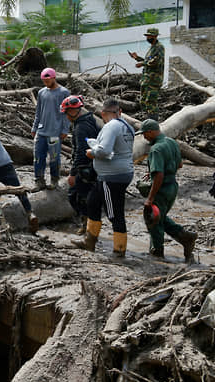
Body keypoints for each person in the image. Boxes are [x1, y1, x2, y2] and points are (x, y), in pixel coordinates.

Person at [73, 98, 134, 258]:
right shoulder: (127, 126)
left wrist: (91, 152)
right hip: (114, 174)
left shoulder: (111, 126)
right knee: (93, 202)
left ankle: (119, 250)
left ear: (103, 113)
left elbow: (105, 151)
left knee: (114, 213)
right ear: (119, 111)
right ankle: (89, 241)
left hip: (112, 176)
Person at [137, 119, 197, 262]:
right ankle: (185, 237)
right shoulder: (172, 142)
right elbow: (180, 164)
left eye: (145, 134)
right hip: (172, 187)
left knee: (153, 219)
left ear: (151, 132)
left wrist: (150, 198)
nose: (144, 137)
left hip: (161, 189)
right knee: (160, 217)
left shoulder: (156, 149)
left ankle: (157, 253)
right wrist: (158, 170)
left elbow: (159, 175)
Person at [61, 95, 98, 234]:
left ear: (72, 111)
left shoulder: (81, 127)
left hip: (85, 167)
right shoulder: (90, 119)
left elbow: (81, 152)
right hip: (93, 164)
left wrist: (73, 173)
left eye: (66, 113)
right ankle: (88, 224)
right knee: (84, 196)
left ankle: (87, 225)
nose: (66, 116)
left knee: (76, 196)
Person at [31, 67, 70, 190]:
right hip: (41, 132)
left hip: (55, 132)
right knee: (38, 156)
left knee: (54, 157)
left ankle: (54, 180)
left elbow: (67, 113)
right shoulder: (42, 93)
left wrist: (65, 129)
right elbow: (38, 112)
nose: (46, 83)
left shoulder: (64, 92)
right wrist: (34, 127)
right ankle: (39, 180)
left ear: (54, 78)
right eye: (44, 81)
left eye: (48, 80)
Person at [129, 27, 164, 118]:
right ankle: (148, 120)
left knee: (151, 103)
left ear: (155, 36)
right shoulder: (152, 48)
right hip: (147, 80)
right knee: (143, 101)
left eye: (149, 36)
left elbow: (156, 61)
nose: (147, 38)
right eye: (147, 36)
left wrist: (142, 64)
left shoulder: (159, 47)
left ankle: (153, 124)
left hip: (153, 80)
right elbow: (148, 60)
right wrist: (137, 58)